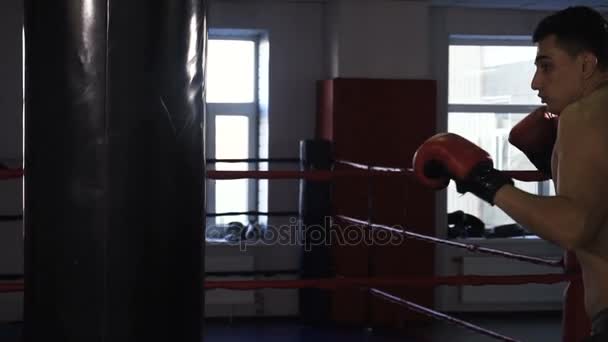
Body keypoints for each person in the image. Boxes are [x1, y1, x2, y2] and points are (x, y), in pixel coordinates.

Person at [412, 6, 608, 342]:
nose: (536, 82)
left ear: (587, 64)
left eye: (547, 67)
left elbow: (573, 226)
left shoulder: (583, 114)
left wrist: (483, 180)